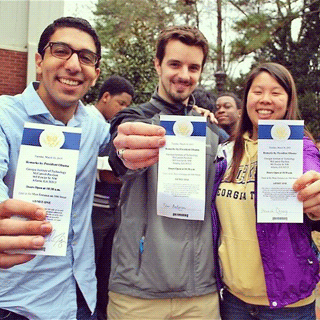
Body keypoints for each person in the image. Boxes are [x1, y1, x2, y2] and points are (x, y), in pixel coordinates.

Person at [106, 25, 225, 320]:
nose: (184, 74)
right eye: (175, 64)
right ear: (157, 64)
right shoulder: (134, 119)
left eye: (193, 67)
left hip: (201, 293)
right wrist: (125, 153)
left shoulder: (214, 133)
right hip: (137, 293)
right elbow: (119, 154)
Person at [0, 17, 110, 320]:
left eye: (86, 57)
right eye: (61, 51)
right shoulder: (5, 116)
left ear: (95, 73)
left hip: (79, 297)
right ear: (39, 61)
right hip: (16, 304)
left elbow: (120, 149)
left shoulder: (93, 126)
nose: (74, 65)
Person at [211, 62, 320, 319]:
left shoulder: (300, 148)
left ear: (289, 100)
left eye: (276, 92)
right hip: (234, 299)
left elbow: (312, 176)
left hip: (287, 301)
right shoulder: (226, 151)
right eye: (257, 91)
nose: (265, 100)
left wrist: (316, 204)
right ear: (246, 98)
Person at [89, 75, 134, 320]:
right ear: (105, 97)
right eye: (121, 103)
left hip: (110, 208)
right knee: (93, 264)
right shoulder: (90, 121)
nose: (124, 110)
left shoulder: (109, 124)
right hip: (94, 211)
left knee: (105, 265)